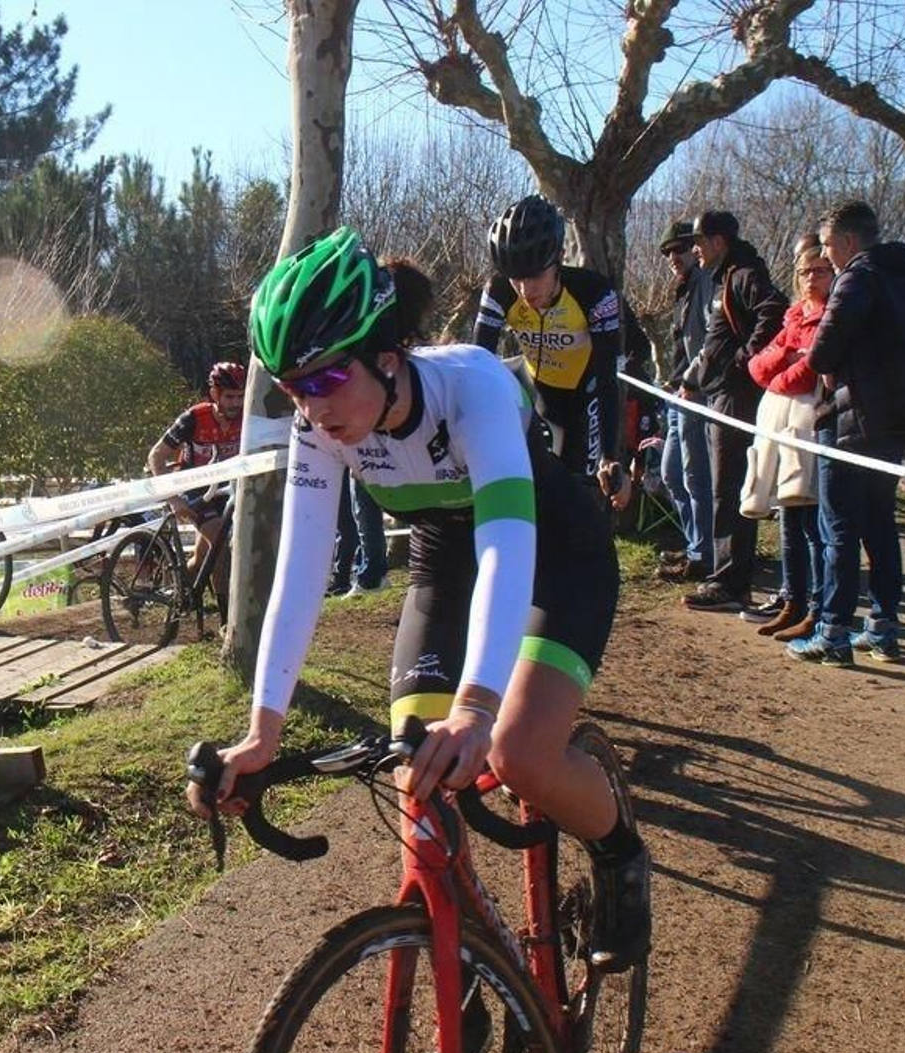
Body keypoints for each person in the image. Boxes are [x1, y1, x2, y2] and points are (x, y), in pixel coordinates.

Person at [185, 227, 648, 970]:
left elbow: (507, 545)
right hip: (445, 560)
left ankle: (621, 854)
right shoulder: (320, 427)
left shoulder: (476, 387)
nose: (310, 406)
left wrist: (475, 708)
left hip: (554, 554)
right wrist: (262, 731)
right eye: (291, 386)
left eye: (327, 380)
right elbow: (300, 575)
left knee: (519, 752)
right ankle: (464, 964)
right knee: (415, 768)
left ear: (388, 358)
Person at [789, 200, 905, 665]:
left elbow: (823, 351)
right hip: (897, 421)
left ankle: (833, 632)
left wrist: (823, 366)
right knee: (881, 525)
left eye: (827, 246)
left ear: (847, 241)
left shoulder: (858, 277)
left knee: (838, 528)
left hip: (851, 420)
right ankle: (883, 627)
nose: (826, 256)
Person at [473, 195, 632, 511]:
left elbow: (606, 379)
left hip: (580, 398)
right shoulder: (498, 290)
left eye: (534, 276)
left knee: (577, 501)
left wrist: (610, 456)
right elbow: (478, 364)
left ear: (559, 259)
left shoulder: (594, 293)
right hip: (531, 388)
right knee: (530, 496)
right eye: (515, 277)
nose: (524, 289)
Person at [681, 210, 787, 613]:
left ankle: (729, 581)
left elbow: (773, 309)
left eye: (699, 240)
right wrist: (694, 380)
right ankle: (729, 576)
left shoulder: (742, 274)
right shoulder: (728, 276)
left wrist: (743, 362)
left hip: (736, 397)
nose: (695, 249)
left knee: (728, 488)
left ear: (718, 242)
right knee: (725, 487)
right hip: (720, 392)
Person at [741, 235, 829, 640]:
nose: (811, 278)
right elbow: (758, 367)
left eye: (820, 270)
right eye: (805, 272)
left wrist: (782, 374)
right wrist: (782, 365)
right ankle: (792, 598)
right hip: (777, 424)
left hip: (808, 426)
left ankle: (817, 605)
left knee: (813, 523)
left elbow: (811, 368)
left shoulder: (832, 317)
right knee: (788, 520)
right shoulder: (793, 317)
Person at [148, 361, 245, 600]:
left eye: (241, 397)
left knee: (203, 558)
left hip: (228, 491)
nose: (236, 404)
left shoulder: (247, 417)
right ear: (214, 394)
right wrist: (173, 499)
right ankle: (226, 619)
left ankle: (174, 595)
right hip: (196, 492)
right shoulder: (194, 417)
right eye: (230, 397)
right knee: (221, 547)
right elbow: (156, 455)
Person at [656, 220, 715, 583]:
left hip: (697, 394)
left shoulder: (705, 283)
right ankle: (695, 543)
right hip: (677, 393)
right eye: (666, 253)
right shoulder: (681, 289)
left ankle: (703, 555)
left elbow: (709, 342)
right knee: (670, 474)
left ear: (694, 249)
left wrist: (692, 382)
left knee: (696, 477)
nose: (672, 257)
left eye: (678, 249)